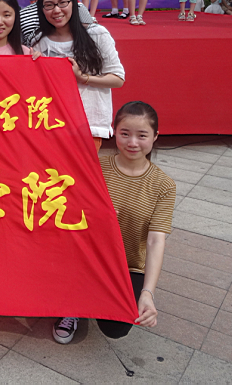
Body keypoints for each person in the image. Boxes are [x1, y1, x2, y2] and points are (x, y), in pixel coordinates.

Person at [52, 101, 174, 344]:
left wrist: (148, 293)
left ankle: (91, 295)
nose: (132, 142)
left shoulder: (163, 186)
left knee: (115, 328)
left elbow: (155, 241)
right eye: (125, 133)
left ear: (155, 136)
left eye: (142, 135)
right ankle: (74, 305)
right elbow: (71, 210)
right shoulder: (95, 168)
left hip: (127, 265)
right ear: (114, 132)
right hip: (87, 256)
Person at [32, 0, 125, 151]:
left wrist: (82, 77)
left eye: (63, 3)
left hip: (89, 125)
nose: (57, 10)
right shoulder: (39, 42)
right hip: (53, 125)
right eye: (49, 5)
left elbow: (118, 79)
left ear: (74, 3)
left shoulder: (97, 34)